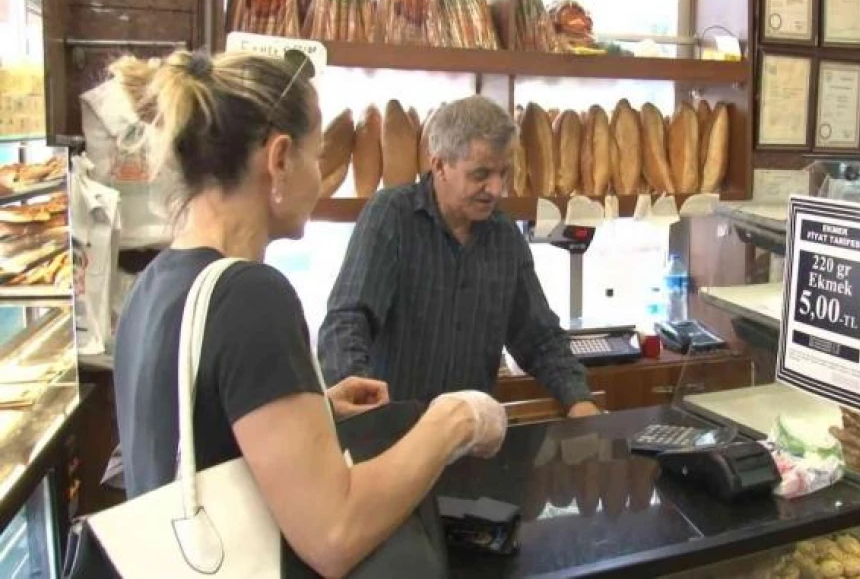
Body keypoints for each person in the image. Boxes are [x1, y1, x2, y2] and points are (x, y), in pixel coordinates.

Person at [110, 50, 507, 578]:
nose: (320, 176)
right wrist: (454, 418)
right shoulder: (250, 295)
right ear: (278, 159)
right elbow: (335, 533)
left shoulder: (157, 283)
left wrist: (313, 411)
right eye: (316, 156)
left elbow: (201, 434)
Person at [318, 95, 601, 417]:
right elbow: (347, 321)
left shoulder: (504, 236)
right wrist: (360, 402)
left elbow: (539, 338)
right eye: (480, 174)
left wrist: (580, 402)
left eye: (502, 173)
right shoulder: (392, 216)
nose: (495, 189)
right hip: (392, 435)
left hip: (469, 441)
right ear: (439, 165)